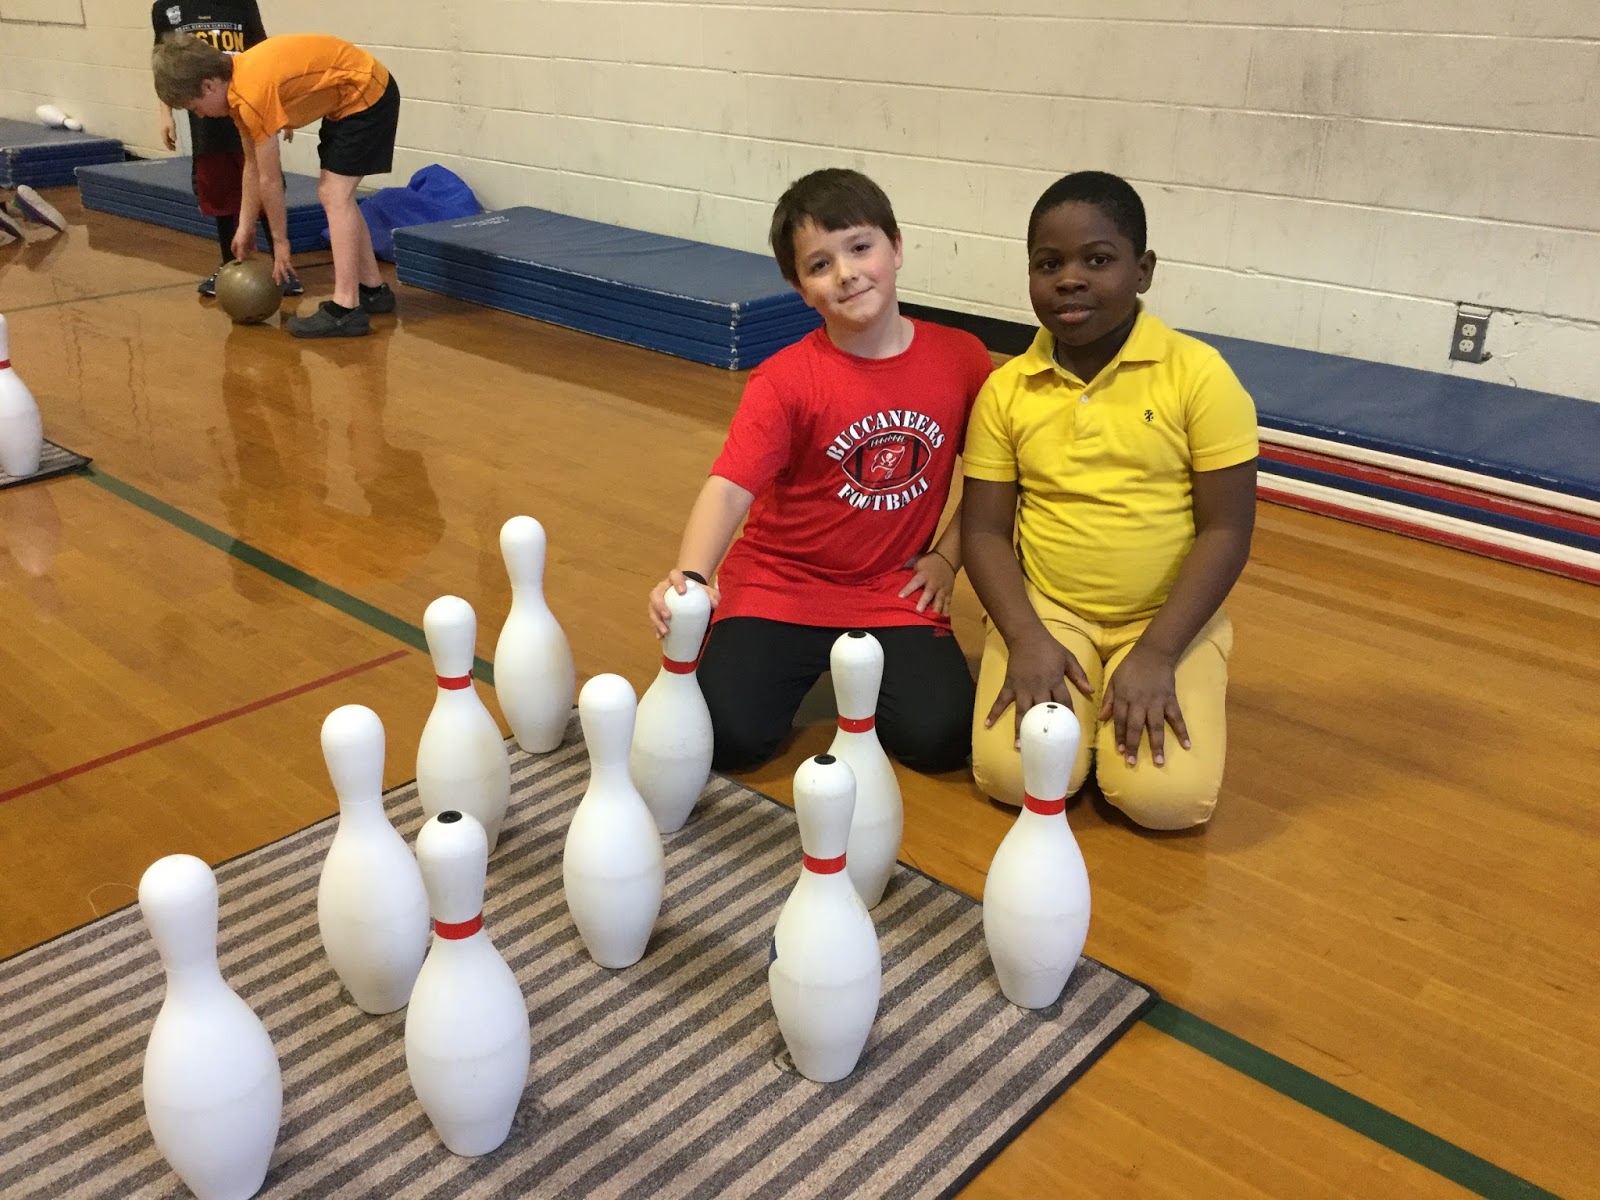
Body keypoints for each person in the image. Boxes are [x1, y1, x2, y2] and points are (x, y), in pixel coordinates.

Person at [648, 168, 993, 774]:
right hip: (779, 585)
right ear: (800, 288)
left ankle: (847, 669)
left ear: (897, 247)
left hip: (890, 590)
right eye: (820, 264)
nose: (847, 273)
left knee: (939, 738)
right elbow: (729, 489)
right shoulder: (784, 381)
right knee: (726, 738)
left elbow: (995, 481)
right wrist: (693, 576)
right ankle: (768, 656)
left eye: (860, 247)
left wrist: (946, 558)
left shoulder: (961, 358)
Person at [962, 171, 1258, 830]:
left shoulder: (1200, 376)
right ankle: (1083, 701)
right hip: (1049, 612)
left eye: (1097, 260)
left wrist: (1157, 653)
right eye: (1048, 264)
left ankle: (1169, 672)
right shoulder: (1007, 389)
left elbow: (1227, 531)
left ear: (1142, 270)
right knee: (1014, 776)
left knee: (1166, 801)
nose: (1069, 279)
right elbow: (983, 533)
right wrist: (1025, 637)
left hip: (1162, 619)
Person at [152, 32, 400, 338]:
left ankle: (346, 309)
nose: (199, 115)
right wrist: (244, 226)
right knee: (336, 193)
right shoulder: (237, 88)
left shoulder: (251, 93)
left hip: (367, 93)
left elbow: (270, 178)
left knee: (335, 194)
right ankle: (373, 290)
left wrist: (281, 243)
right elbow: (252, 166)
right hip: (351, 96)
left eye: (194, 107)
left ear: (209, 85)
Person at [150, 1, 300, 298]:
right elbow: (165, 69)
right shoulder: (165, 8)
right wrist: (166, 113)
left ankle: (283, 266)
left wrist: (283, 106)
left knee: (264, 180)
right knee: (219, 189)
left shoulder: (241, 3)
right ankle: (230, 264)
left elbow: (263, 52)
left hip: (250, 106)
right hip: (207, 121)